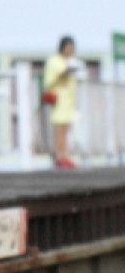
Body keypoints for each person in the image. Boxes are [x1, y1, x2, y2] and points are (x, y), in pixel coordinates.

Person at [43, 35, 82, 171]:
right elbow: (49, 81)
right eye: (68, 46)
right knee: (59, 130)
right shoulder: (54, 61)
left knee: (66, 130)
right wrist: (63, 73)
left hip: (69, 101)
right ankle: (60, 156)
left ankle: (66, 155)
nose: (70, 49)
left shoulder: (71, 61)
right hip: (58, 99)